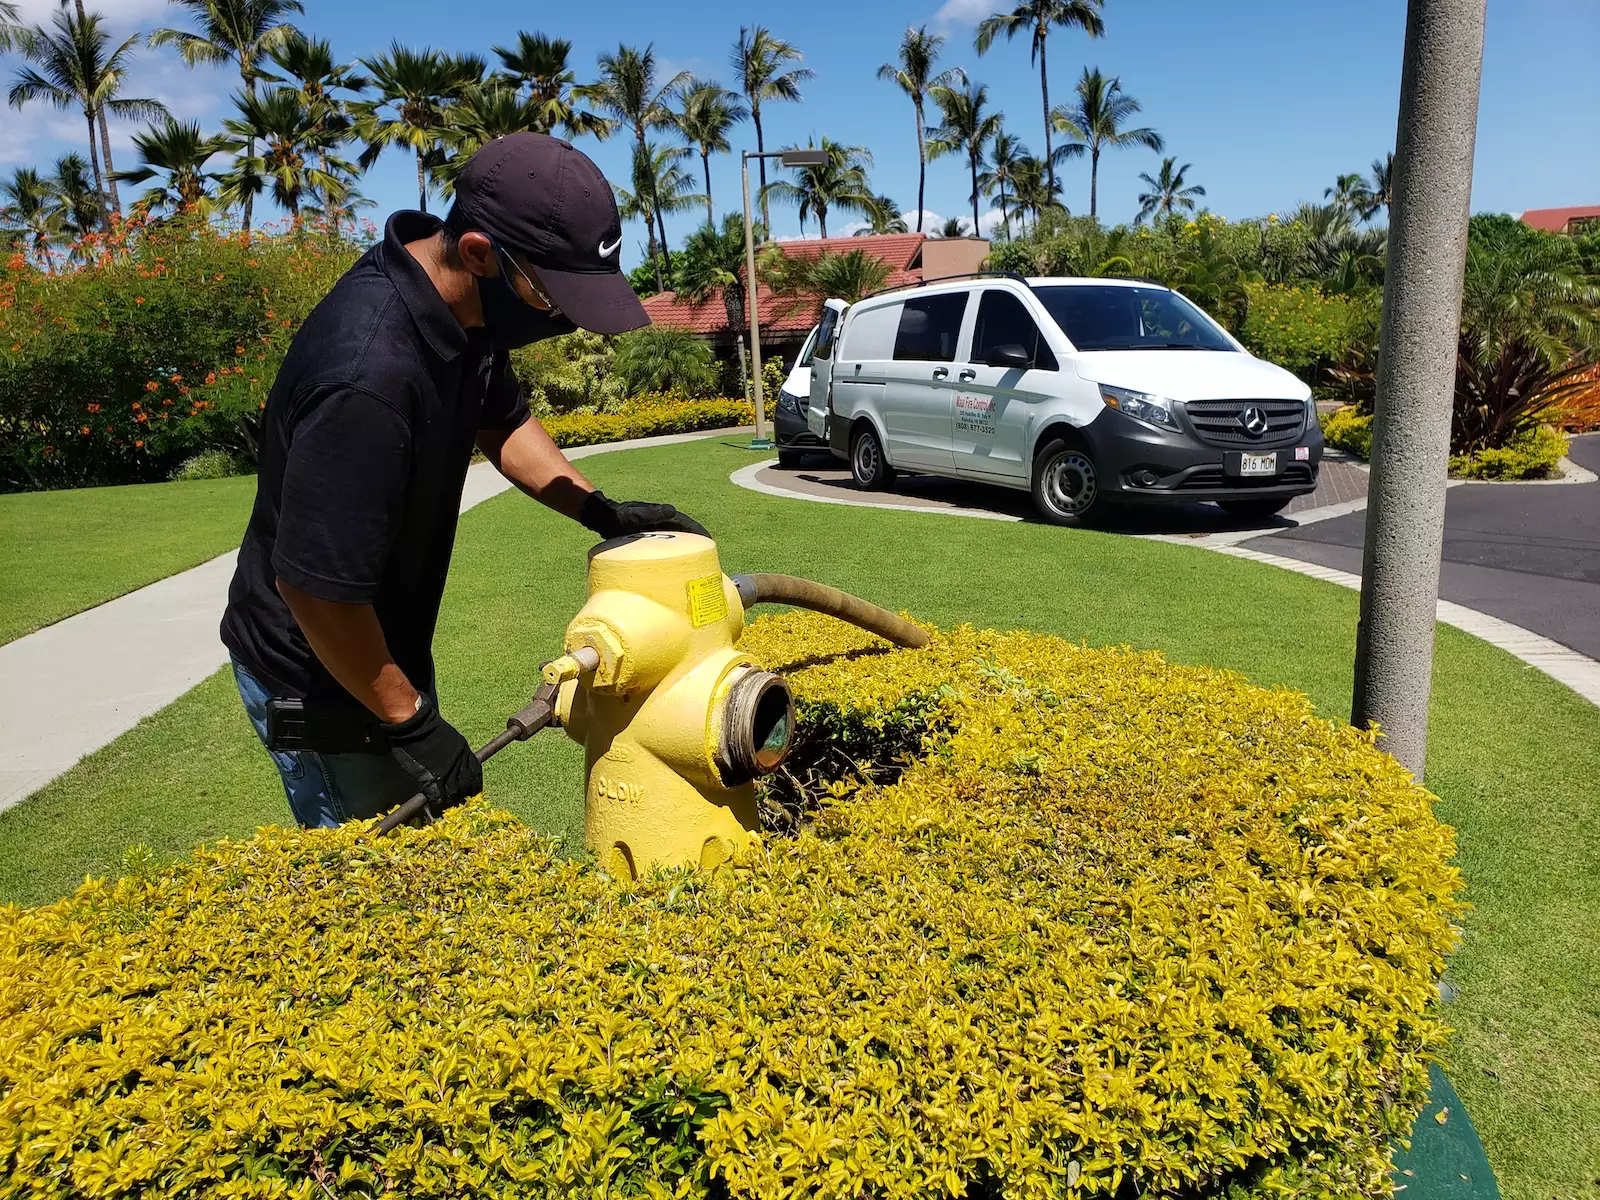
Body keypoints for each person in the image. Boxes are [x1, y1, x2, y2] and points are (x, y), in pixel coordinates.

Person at [220, 133, 706, 829]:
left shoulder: (466, 309)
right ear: (479, 252)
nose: (563, 318)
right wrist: (410, 721)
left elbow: (501, 421)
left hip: (381, 645)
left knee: (422, 856)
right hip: (318, 672)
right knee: (378, 890)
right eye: (552, 294)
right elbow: (315, 591)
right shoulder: (368, 376)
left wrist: (599, 511)